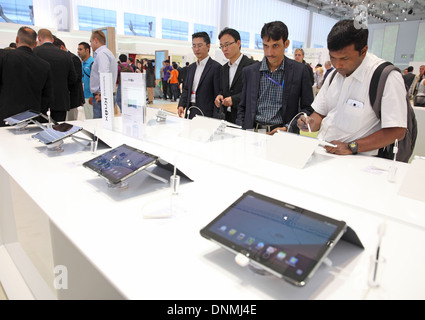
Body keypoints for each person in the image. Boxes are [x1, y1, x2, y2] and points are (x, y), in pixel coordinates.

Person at [297, 19, 407, 157]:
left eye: (344, 59)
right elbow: (320, 113)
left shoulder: (385, 77)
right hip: (323, 153)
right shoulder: (333, 76)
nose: (337, 65)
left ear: (363, 51)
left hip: (360, 161)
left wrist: (352, 147)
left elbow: (397, 131)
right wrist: (310, 122)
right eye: (332, 58)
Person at [236, 21, 314, 133]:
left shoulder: (300, 71)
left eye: (275, 46)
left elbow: (307, 108)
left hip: (282, 134)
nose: (269, 52)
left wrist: (288, 127)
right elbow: (242, 106)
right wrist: (241, 128)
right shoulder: (250, 72)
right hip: (253, 132)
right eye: (265, 46)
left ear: (286, 44)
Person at [0, 26, 53, 126]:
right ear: (35, 43)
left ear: (17, 39)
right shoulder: (44, 65)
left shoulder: (4, 56)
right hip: (32, 119)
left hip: (5, 119)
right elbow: (47, 96)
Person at [34, 29, 77, 122]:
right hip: (61, 100)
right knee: (59, 130)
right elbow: (73, 78)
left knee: (41, 130)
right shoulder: (65, 55)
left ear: (39, 38)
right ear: (52, 40)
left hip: (41, 101)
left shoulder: (35, 52)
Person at [214, 28, 256, 124]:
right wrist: (219, 96)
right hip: (225, 118)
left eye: (227, 45)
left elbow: (253, 92)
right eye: (222, 46)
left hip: (243, 118)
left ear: (238, 43)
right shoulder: (223, 68)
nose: (224, 49)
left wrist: (234, 100)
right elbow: (222, 89)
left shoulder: (251, 66)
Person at [178, 32, 221, 119]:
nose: (196, 49)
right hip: (191, 109)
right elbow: (186, 88)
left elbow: (218, 93)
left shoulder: (216, 67)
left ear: (208, 46)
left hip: (206, 113)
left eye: (200, 45)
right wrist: (181, 104)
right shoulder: (191, 67)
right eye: (194, 46)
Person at [53, 36, 84, 121]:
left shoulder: (73, 58)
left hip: (72, 98)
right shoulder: (63, 58)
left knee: (72, 122)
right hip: (65, 99)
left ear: (62, 47)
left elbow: (77, 79)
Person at [89, 30, 118, 119]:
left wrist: (102, 94)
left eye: (91, 42)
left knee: (100, 126)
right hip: (104, 96)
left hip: (102, 97)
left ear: (96, 40)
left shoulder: (102, 54)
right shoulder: (106, 53)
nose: (90, 45)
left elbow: (104, 74)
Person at [77, 41, 95, 119]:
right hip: (84, 97)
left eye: (80, 49)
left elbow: (95, 80)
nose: (78, 52)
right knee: (87, 118)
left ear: (87, 50)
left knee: (92, 119)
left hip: (90, 97)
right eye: (78, 49)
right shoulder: (82, 64)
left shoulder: (92, 63)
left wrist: (92, 96)